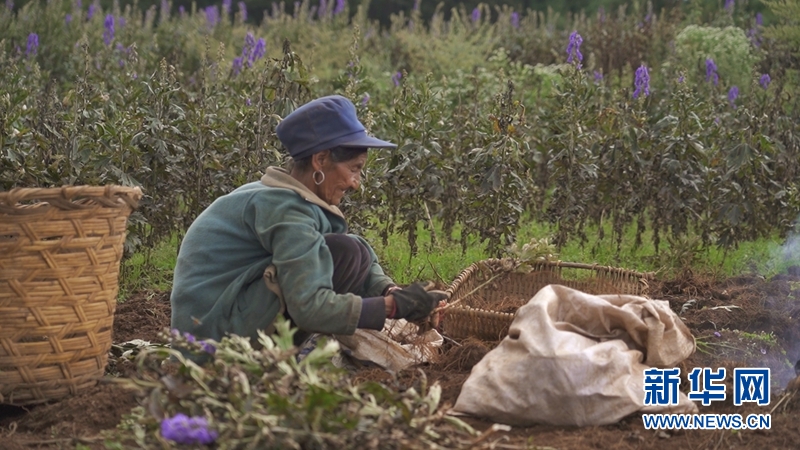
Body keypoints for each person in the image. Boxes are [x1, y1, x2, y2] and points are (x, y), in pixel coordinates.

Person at [170, 95, 447, 351]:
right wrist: (391, 307)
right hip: (212, 340)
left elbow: (353, 248)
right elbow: (309, 307)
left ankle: (279, 350)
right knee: (342, 252)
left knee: (349, 248)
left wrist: (389, 290)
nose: (355, 183)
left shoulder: (286, 197)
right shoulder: (284, 208)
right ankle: (269, 357)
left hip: (220, 319)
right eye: (354, 169)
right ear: (320, 160)